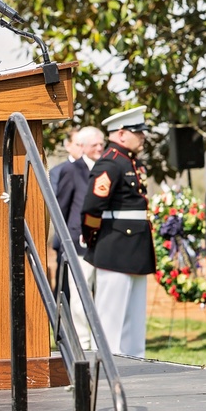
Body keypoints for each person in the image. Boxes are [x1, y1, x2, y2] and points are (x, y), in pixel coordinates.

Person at [81, 106, 155, 357]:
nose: (143, 137)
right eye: (138, 132)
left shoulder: (129, 162)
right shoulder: (111, 162)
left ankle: (135, 359)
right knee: (110, 314)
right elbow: (92, 207)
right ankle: (106, 361)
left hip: (133, 247)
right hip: (114, 246)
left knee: (134, 316)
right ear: (121, 134)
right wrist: (92, 239)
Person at [53, 126, 105, 351]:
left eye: (102, 144)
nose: (99, 148)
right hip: (79, 242)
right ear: (82, 147)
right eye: (95, 144)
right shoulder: (72, 171)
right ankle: (83, 342)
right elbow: (62, 208)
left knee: (103, 293)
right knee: (79, 294)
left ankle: (101, 340)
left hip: (104, 243)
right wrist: (64, 240)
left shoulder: (108, 170)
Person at [49, 126, 82, 192]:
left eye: (85, 145)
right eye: (78, 145)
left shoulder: (95, 168)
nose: (83, 148)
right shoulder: (57, 172)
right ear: (68, 146)